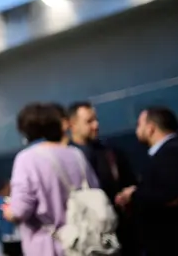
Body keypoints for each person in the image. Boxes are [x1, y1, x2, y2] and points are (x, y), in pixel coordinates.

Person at [1, 102, 99, 256]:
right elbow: (95, 191)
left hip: (50, 247)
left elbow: (20, 211)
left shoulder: (27, 159)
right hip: (85, 244)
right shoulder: (76, 154)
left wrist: (8, 211)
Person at [115, 106, 178, 256]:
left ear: (150, 129)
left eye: (139, 125)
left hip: (174, 244)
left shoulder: (170, 155)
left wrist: (134, 195)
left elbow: (171, 195)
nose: (137, 129)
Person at [66, 101, 139, 255]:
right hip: (80, 234)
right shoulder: (64, 157)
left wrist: (127, 193)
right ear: (72, 125)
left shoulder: (110, 153)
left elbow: (130, 183)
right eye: (89, 121)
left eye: (96, 120)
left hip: (112, 228)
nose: (96, 125)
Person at [0, 181, 22, 256]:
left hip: (11, 237)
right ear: (3, 189)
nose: (10, 189)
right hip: (9, 237)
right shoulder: (2, 201)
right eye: (8, 187)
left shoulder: (1, 200)